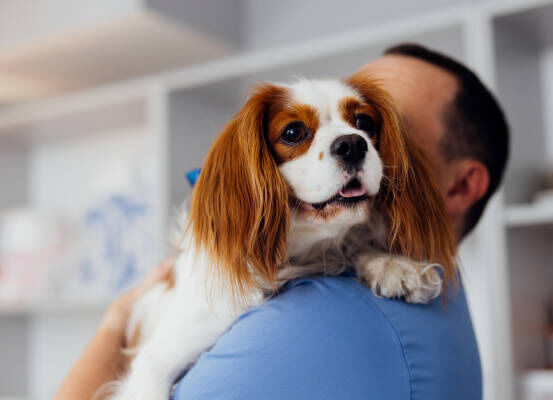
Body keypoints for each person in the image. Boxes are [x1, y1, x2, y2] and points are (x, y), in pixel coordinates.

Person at [55, 43, 509, 399]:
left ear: (462, 185)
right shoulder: (441, 301)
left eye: (371, 126)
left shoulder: (324, 321)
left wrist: (113, 324)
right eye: (295, 133)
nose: (354, 141)